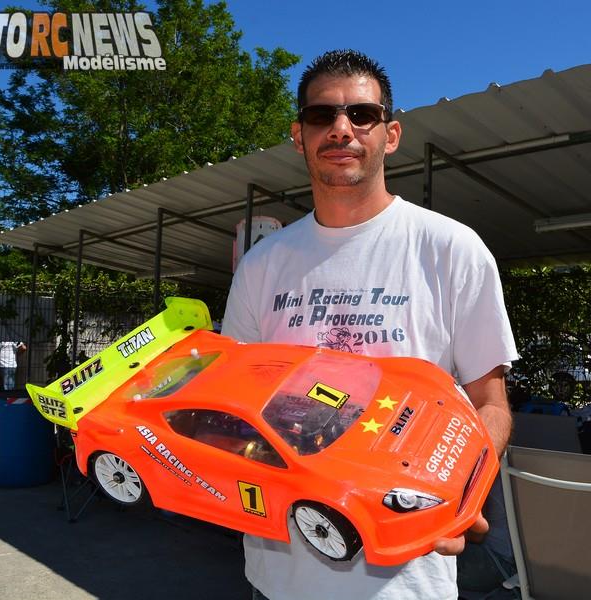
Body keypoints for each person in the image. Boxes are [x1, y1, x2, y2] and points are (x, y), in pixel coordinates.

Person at [222, 49, 518, 600]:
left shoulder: (451, 249)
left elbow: (491, 405)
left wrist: (462, 490)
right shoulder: (263, 264)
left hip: (406, 579)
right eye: (321, 116)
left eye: (362, 114)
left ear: (392, 133)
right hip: (276, 576)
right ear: (299, 134)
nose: (341, 129)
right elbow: (231, 405)